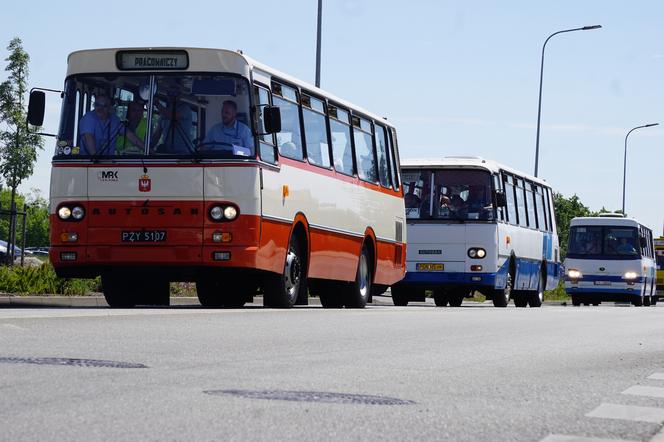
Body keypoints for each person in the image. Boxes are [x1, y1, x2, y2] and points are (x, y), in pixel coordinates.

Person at [79, 94, 143, 155]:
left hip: (108, 161)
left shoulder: (114, 120)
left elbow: (130, 135)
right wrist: (95, 158)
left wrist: (148, 150)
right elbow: (88, 137)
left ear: (110, 107)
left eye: (104, 106)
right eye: (97, 105)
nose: (100, 109)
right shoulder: (89, 118)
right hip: (88, 162)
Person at [152, 83, 193, 154]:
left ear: (180, 95)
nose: (172, 95)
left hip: (184, 154)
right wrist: (148, 148)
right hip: (167, 153)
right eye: (170, 93)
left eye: (175, 93)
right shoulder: (164, 112)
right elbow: (157, 134)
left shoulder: (185, 108)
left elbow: (172, 116)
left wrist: (157, 104)